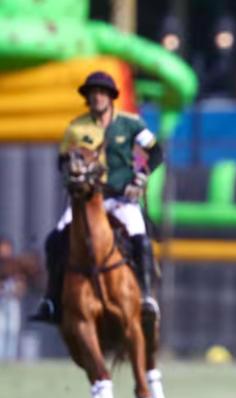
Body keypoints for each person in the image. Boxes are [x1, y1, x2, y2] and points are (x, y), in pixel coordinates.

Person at [29, 71, 163, 324]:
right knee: (55, 239)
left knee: (141, 240)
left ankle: (146, 296)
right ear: (87, 97)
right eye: (93, 93)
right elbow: (62, 160)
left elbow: (155, 152)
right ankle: (51, 300)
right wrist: (72, 176)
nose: (97, 97)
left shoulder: (131, 124)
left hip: (121, 199)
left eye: (102, 92)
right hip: (87, 201)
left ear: (111, 97)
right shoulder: (76, 128)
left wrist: (140, 177)